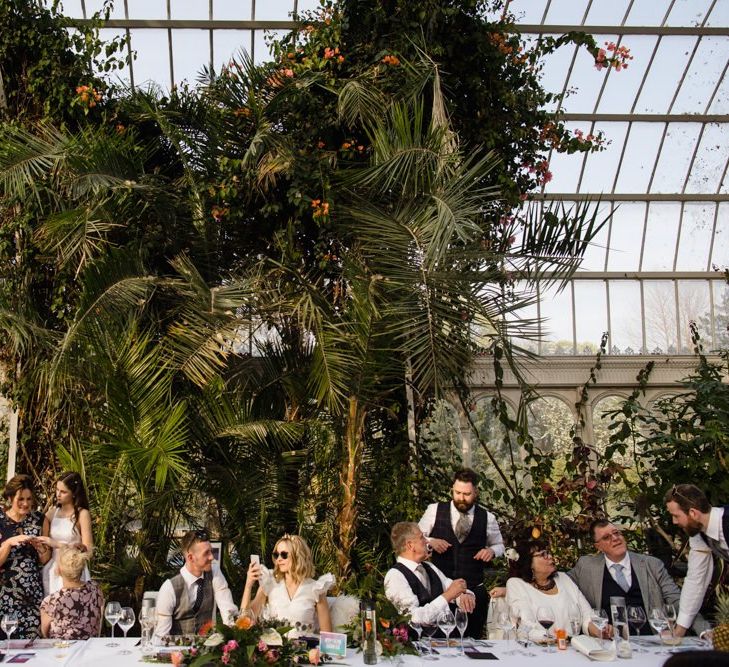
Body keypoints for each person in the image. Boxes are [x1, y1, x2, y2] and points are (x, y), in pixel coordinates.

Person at [568, 518, 708, 635]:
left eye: (616, 533)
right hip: (609, 643)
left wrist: (704, 630)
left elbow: (678, 600)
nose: (615, 538)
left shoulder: (652, 565)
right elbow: (560, 584)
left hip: (652, 641)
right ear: (598, 546)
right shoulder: (586, 566)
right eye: (606, 537)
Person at [418, 468, 503, 637]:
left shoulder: (488, 518)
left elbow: (500, 545)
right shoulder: (434, 510)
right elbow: (417, 539)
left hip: (474, 594)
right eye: (457, 493)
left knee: (473, 646)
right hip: (440, 593)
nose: (461, 498)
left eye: (467, 494)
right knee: (440, 644)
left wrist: (491, 551)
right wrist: (431, 542)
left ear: (476, 492)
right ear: (452, 489)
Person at [505, 538, 602, 642]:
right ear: (528, 563)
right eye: (543, 554)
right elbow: (526, 627)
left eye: (548, 553)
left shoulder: (563, 578)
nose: (550, 557)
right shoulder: (516, 584)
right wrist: (556, 638)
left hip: (572, 648)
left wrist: (598, 630)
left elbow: (587, 614)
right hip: (538, 650)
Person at [664, 484, 728, 637]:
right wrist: (679, 630)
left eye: (676, 515)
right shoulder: (699, 534)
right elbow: (696, 579)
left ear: (693, 513)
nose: (674, 522)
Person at [384, 521, 476, 624]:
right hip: (417, 639)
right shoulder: (395, 576)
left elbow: (453, 587)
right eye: (422, 537)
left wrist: (462, 596)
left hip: (445, 637)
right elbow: (413, 618)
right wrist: (449, 595)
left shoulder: (429, 566)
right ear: (410, 545)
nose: (427, 542)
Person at [241, 534, 333, 632]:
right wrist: (248, 586)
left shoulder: (316, 588)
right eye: (276, 555)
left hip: (305, 646)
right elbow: (245, 620)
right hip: (274, 645)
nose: (279, 559)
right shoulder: (270, 582)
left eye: (284, 555)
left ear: (297, 556)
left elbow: (327, 635)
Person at [155, 530, 238, 637]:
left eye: (211, 551)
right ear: (190, 558)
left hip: (208, 648)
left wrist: (232, 639)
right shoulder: (169, 588)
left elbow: (228, 612)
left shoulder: (214, 572)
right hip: (178, 649)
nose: (212, 557)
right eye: (206, 553)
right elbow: (162, 634)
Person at [0, 474, 51, 639]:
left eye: (29, 499)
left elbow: (45, 560)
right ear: (9, 497)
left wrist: (40, 548)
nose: (25, 503)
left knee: (32, 648)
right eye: (20, 499)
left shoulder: (39, 520)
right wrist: (9, 543)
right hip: (5, 594)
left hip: (32, 594)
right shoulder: (0, 520)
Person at [39, 471, 93, 596]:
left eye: (63, 492)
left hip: (74, 569)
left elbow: (89, 550)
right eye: (57, 490)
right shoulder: (52, 513)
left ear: (73, 493)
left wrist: (58, 544)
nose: (58, 494)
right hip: (54, 567)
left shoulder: (82, 514)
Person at [39, 544, 103, 639]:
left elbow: (45, 633)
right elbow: (99, 621)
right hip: (89, 648)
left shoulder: (51, 601)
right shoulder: (94, 590)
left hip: (61, 651)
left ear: (58, 571)